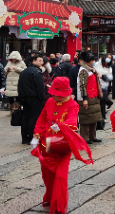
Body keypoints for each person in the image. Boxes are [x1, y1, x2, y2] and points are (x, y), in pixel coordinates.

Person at [30, 77, 81, 214]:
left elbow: (72, 122)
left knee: (60, 176)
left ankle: (58, 206)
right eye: (54, 93)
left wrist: (62, 126)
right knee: (47, 175)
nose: (55, 96)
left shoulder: (73, 105)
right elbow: (42, 119)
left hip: (62, 145)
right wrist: (36, 133)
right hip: (46, 144)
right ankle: (50, 197)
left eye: (58, 94)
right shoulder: (50, 102)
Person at [18, 54, 46, 145]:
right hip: (34, 98)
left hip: (24, 98)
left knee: (25, 117)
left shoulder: (24, 71)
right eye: (40, 60)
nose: (41, 62)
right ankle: (31, 136)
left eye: (42, 61)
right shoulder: (36, 72)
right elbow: (40, 87)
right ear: (34, 61)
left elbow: (19, 86)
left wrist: (20, 98)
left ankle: (24, 138)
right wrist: (42, 98)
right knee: (33, 118)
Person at [77, 52, 102, 144]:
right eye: (92, 60)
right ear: (88, 61)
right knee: (86, 118)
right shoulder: (84, 70)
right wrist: (84, 99)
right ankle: (85, 137)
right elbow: (82, 85)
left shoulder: (91, 69)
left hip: (93, 96)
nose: (94, 62)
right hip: (87, 97)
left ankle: (92, 136)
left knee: (93, 118)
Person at [4, 51, 26, 116]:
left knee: (17, 97)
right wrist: (7, 69)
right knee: (10, 98)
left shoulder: (22, 63)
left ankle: (17, 111)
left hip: (17, 82)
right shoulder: (9, 63)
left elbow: (25, 70)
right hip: (10, 82)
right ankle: (11, 111)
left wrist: (17, 69)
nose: (13, 59)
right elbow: (5, 69)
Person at [94, 55, 114, 123]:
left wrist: (104, 76)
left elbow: (111, 77)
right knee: (98, 102)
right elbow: (95, 73)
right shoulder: (97, 64)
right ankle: (99, 117)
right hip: (97, 85)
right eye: (107, 57)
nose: (108, 59)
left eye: (110, 58)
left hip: (105, 86)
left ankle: (103, 117)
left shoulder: (109, 67)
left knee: (102, 103)